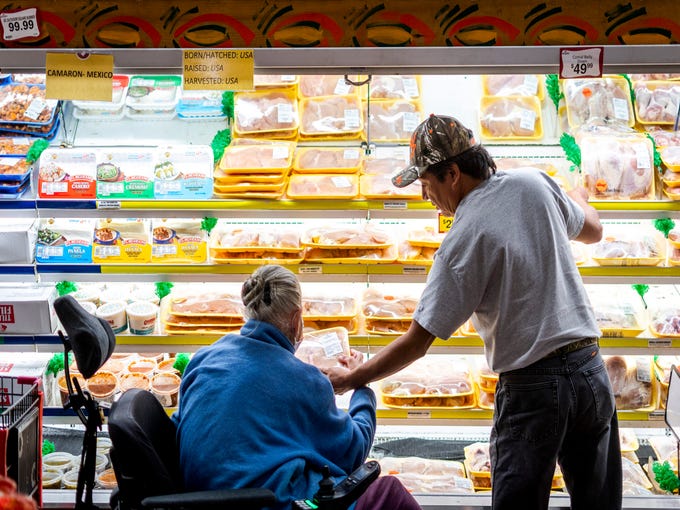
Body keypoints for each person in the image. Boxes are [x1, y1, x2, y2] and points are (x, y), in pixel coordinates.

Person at [325, 114, 622, 510]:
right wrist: (576, 194)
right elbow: (594, 231)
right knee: (600, 504)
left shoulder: (462, 237)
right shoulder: (534, 182)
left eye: (426, 185)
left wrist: (353, 377)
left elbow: (418, 341)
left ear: (452, 174)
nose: (425, 196)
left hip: (533, 387)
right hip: (590, 372)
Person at [172, 264, 421, 510]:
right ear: (295, 319)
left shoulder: (204, 357)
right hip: (266, 500)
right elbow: (354, 453)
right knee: (390, 493)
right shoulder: (302, 379)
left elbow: (184, 422)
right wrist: (361, 383)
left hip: (196, 495)